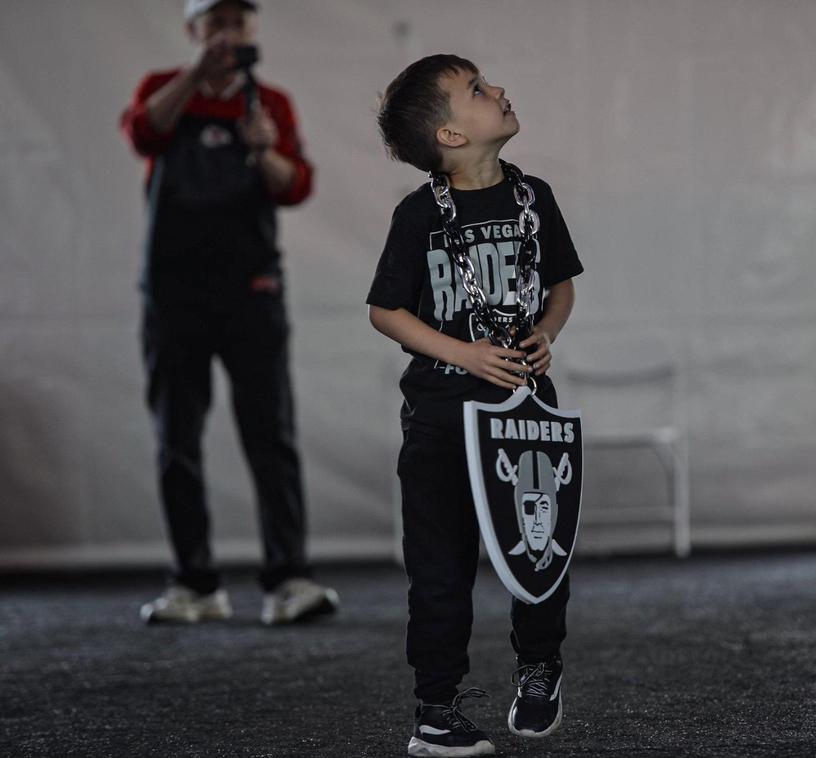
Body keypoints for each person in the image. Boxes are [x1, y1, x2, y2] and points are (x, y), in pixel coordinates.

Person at [369, 55, 583, 757]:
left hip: (525, 414)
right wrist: (461, 354)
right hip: (439, 423)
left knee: (540, 550)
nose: (498, 90)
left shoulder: (534, 199)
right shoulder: (416, 216)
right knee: (439, 569)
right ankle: (436, 708)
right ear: (452, 137)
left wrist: (545, 336)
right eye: (477, 91)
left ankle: (540, 668)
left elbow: (561, 290)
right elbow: (385, 312)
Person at [119, 0, 337, 626]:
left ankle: (289, 580)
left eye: (238, 21)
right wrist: (197, 75)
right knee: (176, 441)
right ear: (193, 31)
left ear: (253, 30)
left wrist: (265, 149)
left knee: (271, 437)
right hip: (172, 294)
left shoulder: (272, 105)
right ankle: (195, 584)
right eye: (215, 22)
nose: (228, 33)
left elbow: (293, 186)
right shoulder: (164, 89)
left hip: (252, 290)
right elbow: (143, 132)